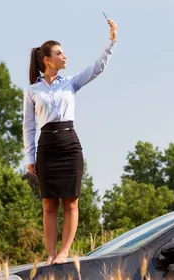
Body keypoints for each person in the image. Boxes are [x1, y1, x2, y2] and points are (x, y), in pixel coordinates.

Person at [23, 18, 118, 265]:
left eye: (63, 53)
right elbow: (29, 126)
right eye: (59, 53)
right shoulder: (33, 90)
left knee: (71, 203)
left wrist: (112, 40)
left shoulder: (72, 82)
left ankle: (64, 252)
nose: (64, 57)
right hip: (47, 147)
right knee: (49, 205)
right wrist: (30, 158)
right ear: (47, 60)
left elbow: (97, 68)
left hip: (69, 145)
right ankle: (51, 254)